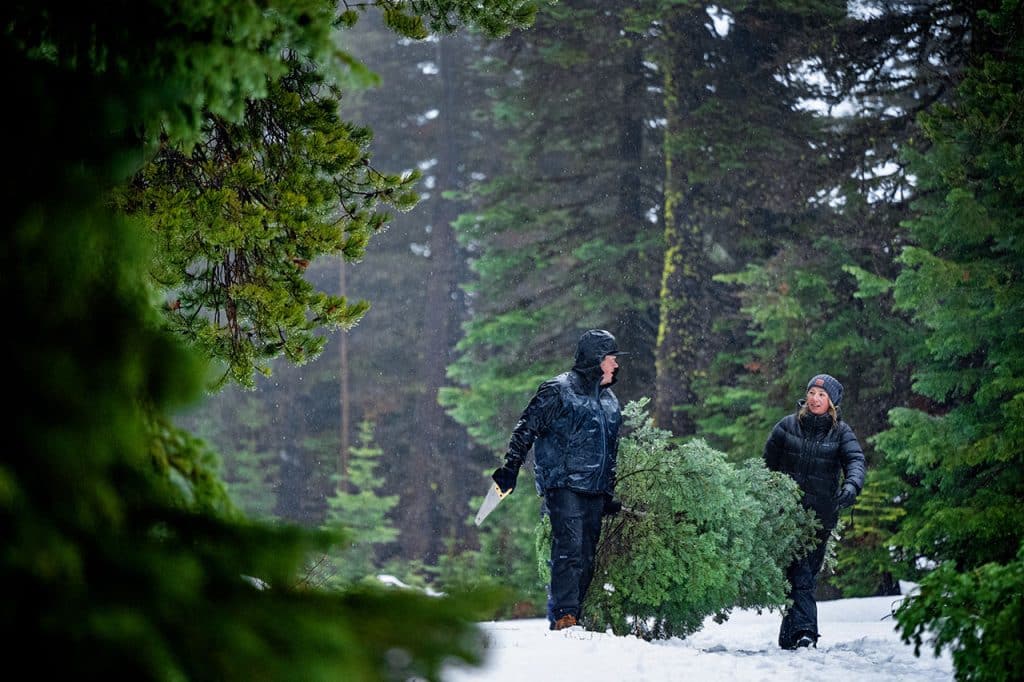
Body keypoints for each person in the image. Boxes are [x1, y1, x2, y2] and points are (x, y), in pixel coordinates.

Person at [491, 329, 626, 631]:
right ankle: (564, 616)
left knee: (588, 554)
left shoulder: (609, 400)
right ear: (596, 360)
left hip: (594, 488)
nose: (616, 364)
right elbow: (526, 428)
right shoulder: (558, 390)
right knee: (570, 548)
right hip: (563, 483)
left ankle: (576, 614)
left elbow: (611, 449)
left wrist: (607, 492)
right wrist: (510, 468)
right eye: (610, 358)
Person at [763, 373, 866, 649]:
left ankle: (789, 638)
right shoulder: (786, 427)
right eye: (811, 393)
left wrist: (851, 487)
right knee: (800, 574)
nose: (815, 399)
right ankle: (805, 633)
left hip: (820, 517)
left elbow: (855, 461)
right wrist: (766, 496)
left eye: (822, 395)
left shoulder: (841, 432)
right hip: (788, 516)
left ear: (831, 402)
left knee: (804, 574)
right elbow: (766, 467)